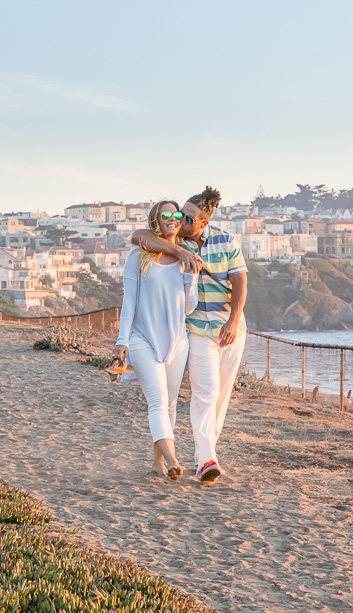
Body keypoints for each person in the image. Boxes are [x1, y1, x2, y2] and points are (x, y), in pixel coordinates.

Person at [132, 186, 248, 484]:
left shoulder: (226, 241)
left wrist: (233, 321)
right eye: (180, 214)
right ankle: (207, 459)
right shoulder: (175, 239)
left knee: (220, 397)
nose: (180, 220)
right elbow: (138, 237)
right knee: (205, 391)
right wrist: (180, 251)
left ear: (204, 223)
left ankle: (206, 457)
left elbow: (240, 285)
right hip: (197, 329)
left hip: (230, 327)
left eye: (188, 218)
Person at [113, 200, 198, 480]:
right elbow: (129, 302)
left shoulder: (187, 258)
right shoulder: (138, 256)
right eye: (165, 215)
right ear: (156, 221)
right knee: (158, 403)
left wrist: (191, 278)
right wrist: (122, 340)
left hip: (177, 341)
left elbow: (189, 308)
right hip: (142, 339)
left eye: (176, 214)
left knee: (170, 404)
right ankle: (173, 460)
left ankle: (156, 462)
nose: (172, 218)